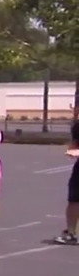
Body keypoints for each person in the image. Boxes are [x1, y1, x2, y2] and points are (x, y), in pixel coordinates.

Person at [54, 105, 79, 245]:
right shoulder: (76, 127)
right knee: (73, 199)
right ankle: (71, 232)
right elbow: (75, 145)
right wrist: (72, 150)